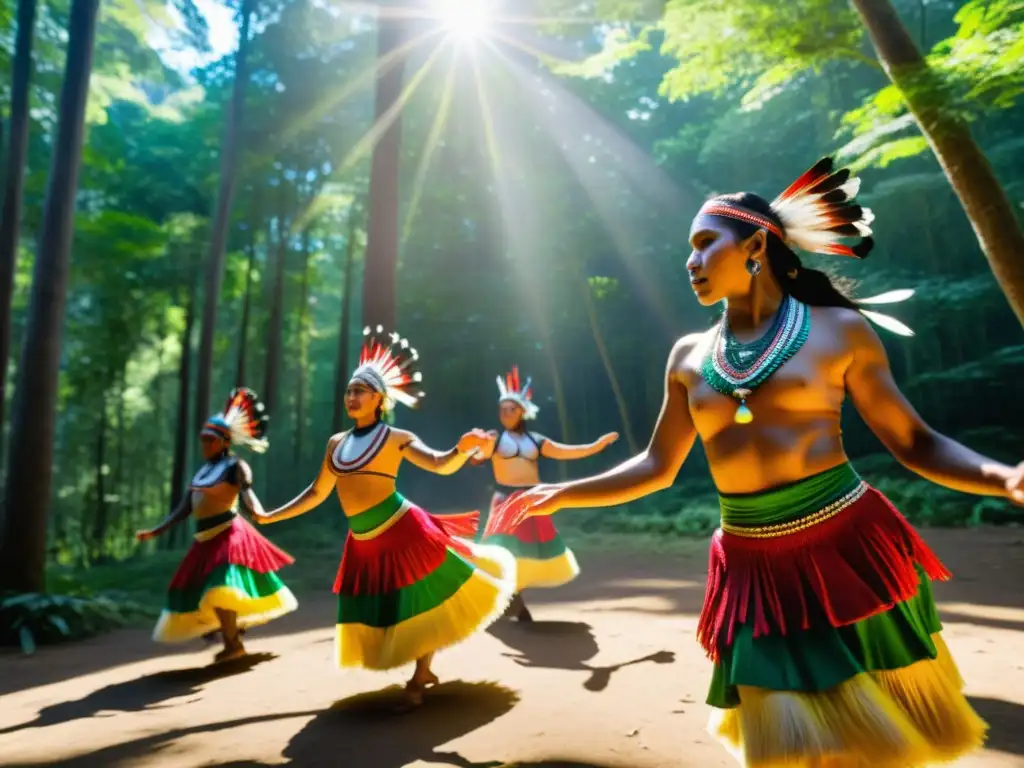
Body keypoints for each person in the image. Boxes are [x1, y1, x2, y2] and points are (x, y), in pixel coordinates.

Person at [494, 157, 1024, 767]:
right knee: (783, 747)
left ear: (753, 246)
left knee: (871, 748)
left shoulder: (839, 330)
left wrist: (1003, 477)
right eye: (687, 249)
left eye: (702, 244)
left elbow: (916, 441)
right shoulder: (688, 357)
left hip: (846, 551)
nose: (689, 261)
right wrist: (565, 493)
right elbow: (656, 466)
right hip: (750, 569)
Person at [255, 326, 516, 707]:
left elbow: (441, 464)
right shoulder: (335, 445)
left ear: (379, 399)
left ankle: (418, 676)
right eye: (348, 390)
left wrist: (462, 448)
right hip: (362, 542)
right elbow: (316, 493)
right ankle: (423, 670)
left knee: (420, 600)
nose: (351, 396)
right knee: (389, 606)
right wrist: (270, 517)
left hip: (403, 529)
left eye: (359, 391)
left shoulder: (397, 438)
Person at [137, 388, 297, 663]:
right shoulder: (202, 471)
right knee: (202, 591)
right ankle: (230, 636)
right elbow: (184, 508)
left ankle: (233, 643)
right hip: (204, 540)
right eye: (203, 439)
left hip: (229, 536)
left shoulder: (236, 467)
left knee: (221, 588)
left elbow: (247, 494)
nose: (205, 444)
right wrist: (157, 529)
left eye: (210, 440)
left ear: (224, 442)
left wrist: (260, 513)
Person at [474, 366, 618, 622]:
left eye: (512, 409)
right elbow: (476, 456)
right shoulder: (494, 440)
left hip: (532, 501)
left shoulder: (536, 440)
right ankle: (513, 601)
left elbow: (568, 451)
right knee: (506, 552)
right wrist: (476, 449)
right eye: (502, 410)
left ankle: (512, 596)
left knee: (529, 554)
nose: (506, 414)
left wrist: (597, 446)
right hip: (505, 501)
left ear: (522, 412)